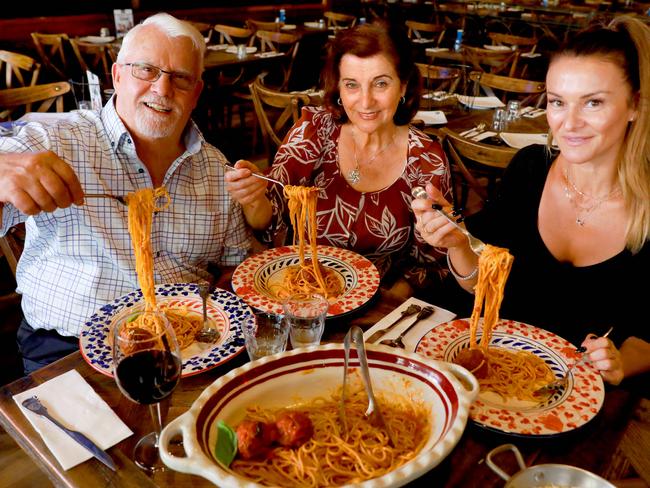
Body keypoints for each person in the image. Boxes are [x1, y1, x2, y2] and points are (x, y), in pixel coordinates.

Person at [0, 13, 251, 373]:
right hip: (69, 349)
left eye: (180, 78)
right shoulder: (59, 142)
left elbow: (233, 264)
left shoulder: (215, 168)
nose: (163, 90)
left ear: (196, 93)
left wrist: (217, 312)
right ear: (117, 76)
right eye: (146, 70)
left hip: (187, 348)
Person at [413, 16, 650, 385]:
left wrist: (621, 363)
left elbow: (648, 337)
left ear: (635, 105)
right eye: (557, 102)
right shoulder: (529, 169)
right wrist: (458, 243)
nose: (568, 123)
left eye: (593, 103)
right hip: (490, 373)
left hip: (579, 398)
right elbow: (480, 283)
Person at [226, 21, 453, 296]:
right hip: (296, 293)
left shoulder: (426, 158)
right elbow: (268, 220)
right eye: (352, 85)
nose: (366, 101)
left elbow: (432, 262)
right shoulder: (314, 131)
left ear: (403, 86)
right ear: (339, 88)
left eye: (380, 83)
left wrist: (383, 308)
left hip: (380, 303)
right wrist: (253, 198)